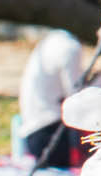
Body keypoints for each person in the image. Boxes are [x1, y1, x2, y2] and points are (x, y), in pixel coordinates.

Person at [17, 29, 84, 168]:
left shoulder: (51, 41)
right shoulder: (70, 47)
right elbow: (75, 94)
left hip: (32, 130)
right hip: (50, 133)